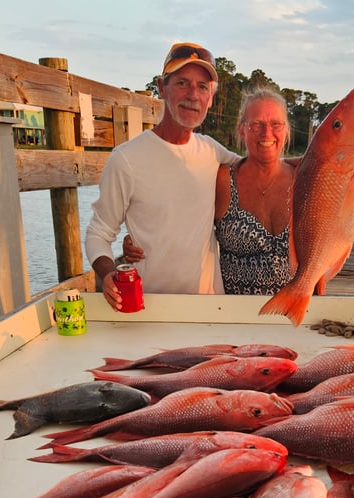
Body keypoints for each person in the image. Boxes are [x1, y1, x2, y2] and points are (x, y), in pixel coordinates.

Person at [85, 42, 239, 308]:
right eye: (182, 83)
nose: (192, 94)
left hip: (209, 308)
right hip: (150, 307)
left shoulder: (213, 151)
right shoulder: (126, 159)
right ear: (162, 87)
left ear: (210, 98)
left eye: (202, 87)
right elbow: (99, 232)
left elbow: (264, 169)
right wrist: (107, 272)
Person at [214, 88, 295, 294]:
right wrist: (140, 242)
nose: (267, 133)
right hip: (236, 317)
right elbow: (185, 223)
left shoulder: (304, 179)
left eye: (275, 124)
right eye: (256, 124)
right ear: (242, 130)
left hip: (298, 313)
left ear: (286, 130)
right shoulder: (223, 179)